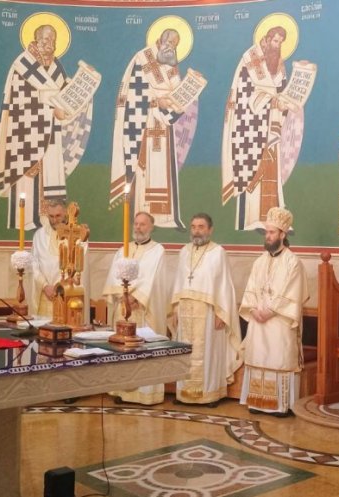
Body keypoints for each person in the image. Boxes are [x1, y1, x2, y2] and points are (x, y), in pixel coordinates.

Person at [0, 23, 94, 230]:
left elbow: (62, 92)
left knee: (50, 174)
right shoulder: (23, 65)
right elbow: (20, 104)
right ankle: (26, 221)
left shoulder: (55, 65)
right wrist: (51, 110)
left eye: (53, 39)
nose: (50, 43)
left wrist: (82, 85)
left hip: (51, 134)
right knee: (28, 181)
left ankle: (49, 221)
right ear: (36, 40)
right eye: (46, 39)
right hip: (26, 134)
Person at [110, 28, 200, 229]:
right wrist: (155, 101)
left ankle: (164, 218)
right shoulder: (142, 59)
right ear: (160, 40)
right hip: (142, 123)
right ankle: (140, 215)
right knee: (142, 167)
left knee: (163, 168)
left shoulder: (171, 63)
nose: (171, 47)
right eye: (169, 42)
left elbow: (177, 91)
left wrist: (191, 86)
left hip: (163, 125)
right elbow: (132, 94)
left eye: (175, 44)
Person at [221, 25, 306, 231]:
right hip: (249, 128)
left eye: (280, 42)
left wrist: (288, 100)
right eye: (275, 41)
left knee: (270, 171)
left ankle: (273, 221)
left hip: (271, 126)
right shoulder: (250, 61)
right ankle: (250, 220)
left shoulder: (278, 65)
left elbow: (283, 92)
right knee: (251, 170)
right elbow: (244, 95)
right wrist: (272, 102)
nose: (277, 46)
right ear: (266, 40)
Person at [239, 207, 308, 417]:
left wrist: (270, 311)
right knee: (258, 357)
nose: (267, 236)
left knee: (279, 358)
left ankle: (280, 405)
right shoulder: (260, 261)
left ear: (282, 234)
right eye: (266, 232)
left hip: (279, 321)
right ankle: (257, 401)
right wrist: (253, 309)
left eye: (271, 232)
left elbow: (293, 292)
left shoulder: (293, 262)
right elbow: (251, 288)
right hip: (258, 319)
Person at [169, 213, 242, 406]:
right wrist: (175, 308)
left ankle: (210, 394)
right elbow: (178, 282)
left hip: (208, 312)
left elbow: (224, 285)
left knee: (209, 353)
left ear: (210, 229)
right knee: (185, 351)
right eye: (193, 227)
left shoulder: (218, 252)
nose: (196, 231)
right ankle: (184, 393)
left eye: (201, 227)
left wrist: (222, 313)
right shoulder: (184, 251)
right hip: (185, 310)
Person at [104, 212, 171, 405]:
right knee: (122, 347)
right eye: (136, 223)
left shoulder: (158, 250)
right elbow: (114, 275)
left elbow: (154, 280)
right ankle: (121, 391)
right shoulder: (122, 250)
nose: (138, 227)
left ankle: (145, 393)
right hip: (122, 307)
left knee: (142, 347)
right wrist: (123, 295)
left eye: (143, 224)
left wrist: (135, 297)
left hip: (143, 309)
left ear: (151, 227)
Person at [31, 199, 90, 321]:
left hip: (68, 295)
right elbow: (34, 265)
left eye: (58, 216)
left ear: (66, 214)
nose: (54, 220)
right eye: (51, 216)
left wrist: (62, 287)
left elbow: (80, 268)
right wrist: (45, 286)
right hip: (45, 295)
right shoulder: (39, 236)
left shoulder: (79, 236)